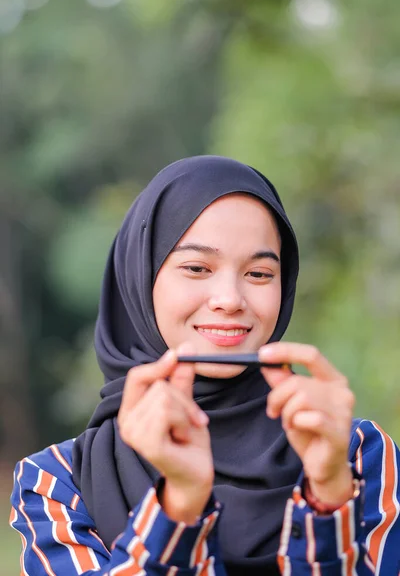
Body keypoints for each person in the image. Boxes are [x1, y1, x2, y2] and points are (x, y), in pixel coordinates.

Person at [10, 156, 400, 576]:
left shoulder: (356, 452)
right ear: (139, 278)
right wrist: (177, 506)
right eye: (197, 268)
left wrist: (329, 495)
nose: (230, 299)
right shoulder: (56, 482)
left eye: (259, 273)